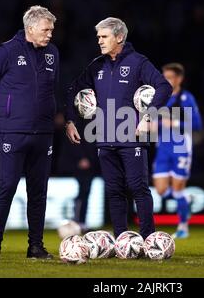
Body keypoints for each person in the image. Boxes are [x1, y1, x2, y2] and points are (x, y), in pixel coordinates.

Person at [64, 17, 172, 240]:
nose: (100, 41)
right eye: (98, 37)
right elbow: (74, 89)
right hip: (104, 138)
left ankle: (149, 239)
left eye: (104, 37)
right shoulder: (96, 65)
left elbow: (164, 86)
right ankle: (122, 239)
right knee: (113, 191)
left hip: (132, 137)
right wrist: (71, 120)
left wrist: (149, 116)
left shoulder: (138, 62)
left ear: (119, 37)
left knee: (138, 188)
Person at [0, 6, 59, 260]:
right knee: (7, 187)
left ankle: (35, 246)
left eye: (52, 30)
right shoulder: (7, 51)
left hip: (44, 133)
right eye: (46, 29)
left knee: (39, 191)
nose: (50, 34)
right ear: (31, 28)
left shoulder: (52, 54)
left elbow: (52, 89)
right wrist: (9, 111)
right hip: (13, 132)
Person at [152, 63, 202, 239]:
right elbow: (155, 124)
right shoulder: (160, 99)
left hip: (181, 148)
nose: (165, 81)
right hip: (163, 148)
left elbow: (197, 124)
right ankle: (186, 201)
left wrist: (174, 123)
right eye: (163, 77)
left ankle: (183, 227)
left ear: (179, 79)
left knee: (178, 189)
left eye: (169, 77)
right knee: (160, 190)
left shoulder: (186, 98)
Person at [52, 112, 99, 233]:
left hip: (90, 161)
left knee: (85, 191)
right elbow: (73, 139)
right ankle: (77, 221)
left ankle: (80, 221)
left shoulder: (91, 117)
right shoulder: (77, 116)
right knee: (81, 193)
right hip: (77, 162)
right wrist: (81, 157)